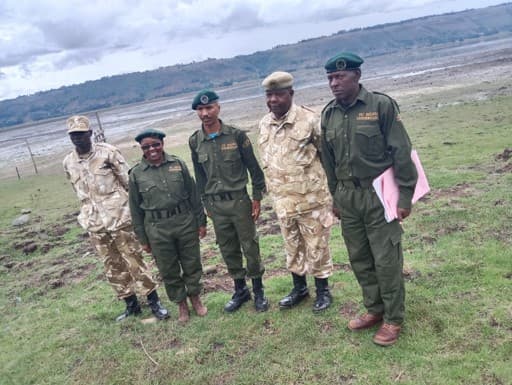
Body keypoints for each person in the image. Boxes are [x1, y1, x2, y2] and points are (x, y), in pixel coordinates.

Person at [320, 52, 418, 346]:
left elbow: (401, 151)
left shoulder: (381, 105)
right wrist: (335, 196)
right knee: (360, 258)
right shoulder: (329, 114)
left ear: (357, 76)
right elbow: (328, 160)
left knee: (386, 259)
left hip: (379, 195)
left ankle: (393, 319)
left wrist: (406, 196)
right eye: (330, 79)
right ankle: (374, 309)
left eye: (340, 77)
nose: (334, 83)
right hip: (348, 198)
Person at [62, 115, 168, 322]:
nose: (78, 139)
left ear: (90, 133)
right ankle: (131, 304)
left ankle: (154, 301)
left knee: (134, 260)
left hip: (119, 218)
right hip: (95, 223)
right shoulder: (68, 162)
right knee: (112, 265)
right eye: (73, 135)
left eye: (81, 134)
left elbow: (129, 183)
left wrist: (140, 212)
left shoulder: (108, 153)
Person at [258, 71, 336, 313]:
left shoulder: (311, 119)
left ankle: (323, 291)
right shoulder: (264, 123)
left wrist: (331, 193)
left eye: (278, 94)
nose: (273, 100)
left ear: (290, 94)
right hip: (282, 202)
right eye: (269, 95)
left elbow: (327, 156)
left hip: (311, 200)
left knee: (317, 247)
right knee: (292, 247)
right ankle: (299, 288)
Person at [189, 89, 269, 313]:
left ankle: (259, 290)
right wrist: (206, 204)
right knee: (227, 248)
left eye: (209, 108)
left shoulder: (236, 135)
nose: (205, 113)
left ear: (218, 108)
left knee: (249, 246)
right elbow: (200, 177)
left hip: (239, 201)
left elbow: (254, 169)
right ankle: (240, 289)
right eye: (201, 110)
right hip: (216, 205)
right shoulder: (195, 141)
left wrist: (256, 197)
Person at [128, 129, 208, 323]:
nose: (152, 149)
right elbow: (135, 210)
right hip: (157, 228)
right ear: (142, 149)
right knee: (168, 269)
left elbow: (193, 194)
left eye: (155, 144)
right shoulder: (137, 174)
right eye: (146, 147)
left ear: (162, 144)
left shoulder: (177, 164)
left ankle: (195, 299)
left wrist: (201, 221)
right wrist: (143, 239)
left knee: (191, 263)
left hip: (185, 222)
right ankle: (181, 305)